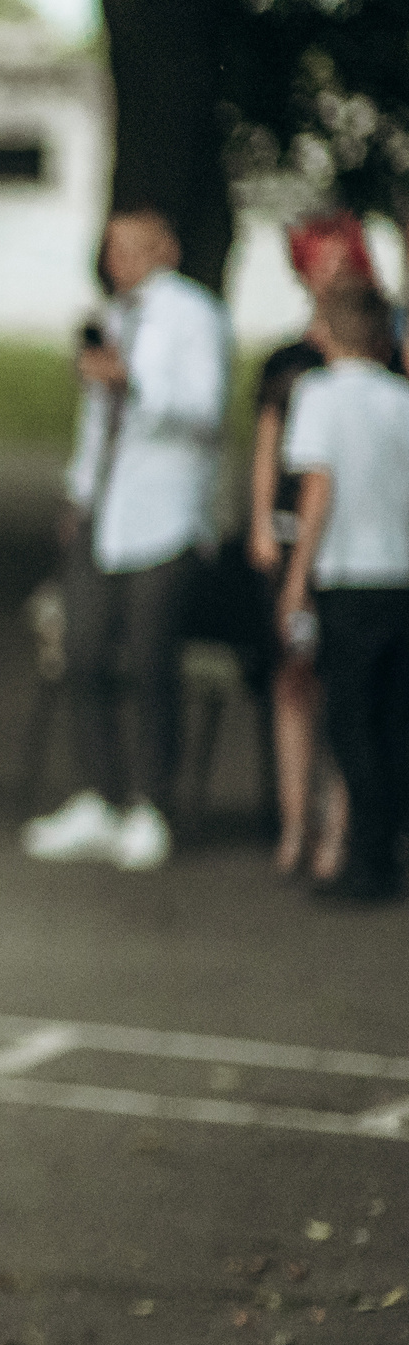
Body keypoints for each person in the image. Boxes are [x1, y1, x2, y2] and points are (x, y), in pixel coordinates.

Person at [23, 209, 230, 872]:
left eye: (137, 247)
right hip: (102, 507)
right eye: (114, 249)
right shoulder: (108, 314)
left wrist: (133, 380)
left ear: (166, 248)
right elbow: (95, 421)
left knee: (150, 657)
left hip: (163, 511)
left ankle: (152, 802)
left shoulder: (193, 314)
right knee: (81, 648)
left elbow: (205, 407)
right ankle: (99, 792)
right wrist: (77, 494)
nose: (124, 260)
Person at [246, 212, 379, 880]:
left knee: (352, 694)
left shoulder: (379, 354)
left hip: (358, 547)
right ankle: (298, 822)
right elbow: (272, 452)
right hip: (306, 540)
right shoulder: (290, 365)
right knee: (297, 679)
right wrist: (261, 525)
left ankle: (341, 828)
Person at [279, 282, 409, 904]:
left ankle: (367, 859)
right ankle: (383, 850)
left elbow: (318, 489)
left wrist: (296, 579)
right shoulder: (401, 401)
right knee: (391, 719)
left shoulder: (319, 396)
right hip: (400, 575)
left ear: (323, 332)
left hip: (349, 575)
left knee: (351, 725)